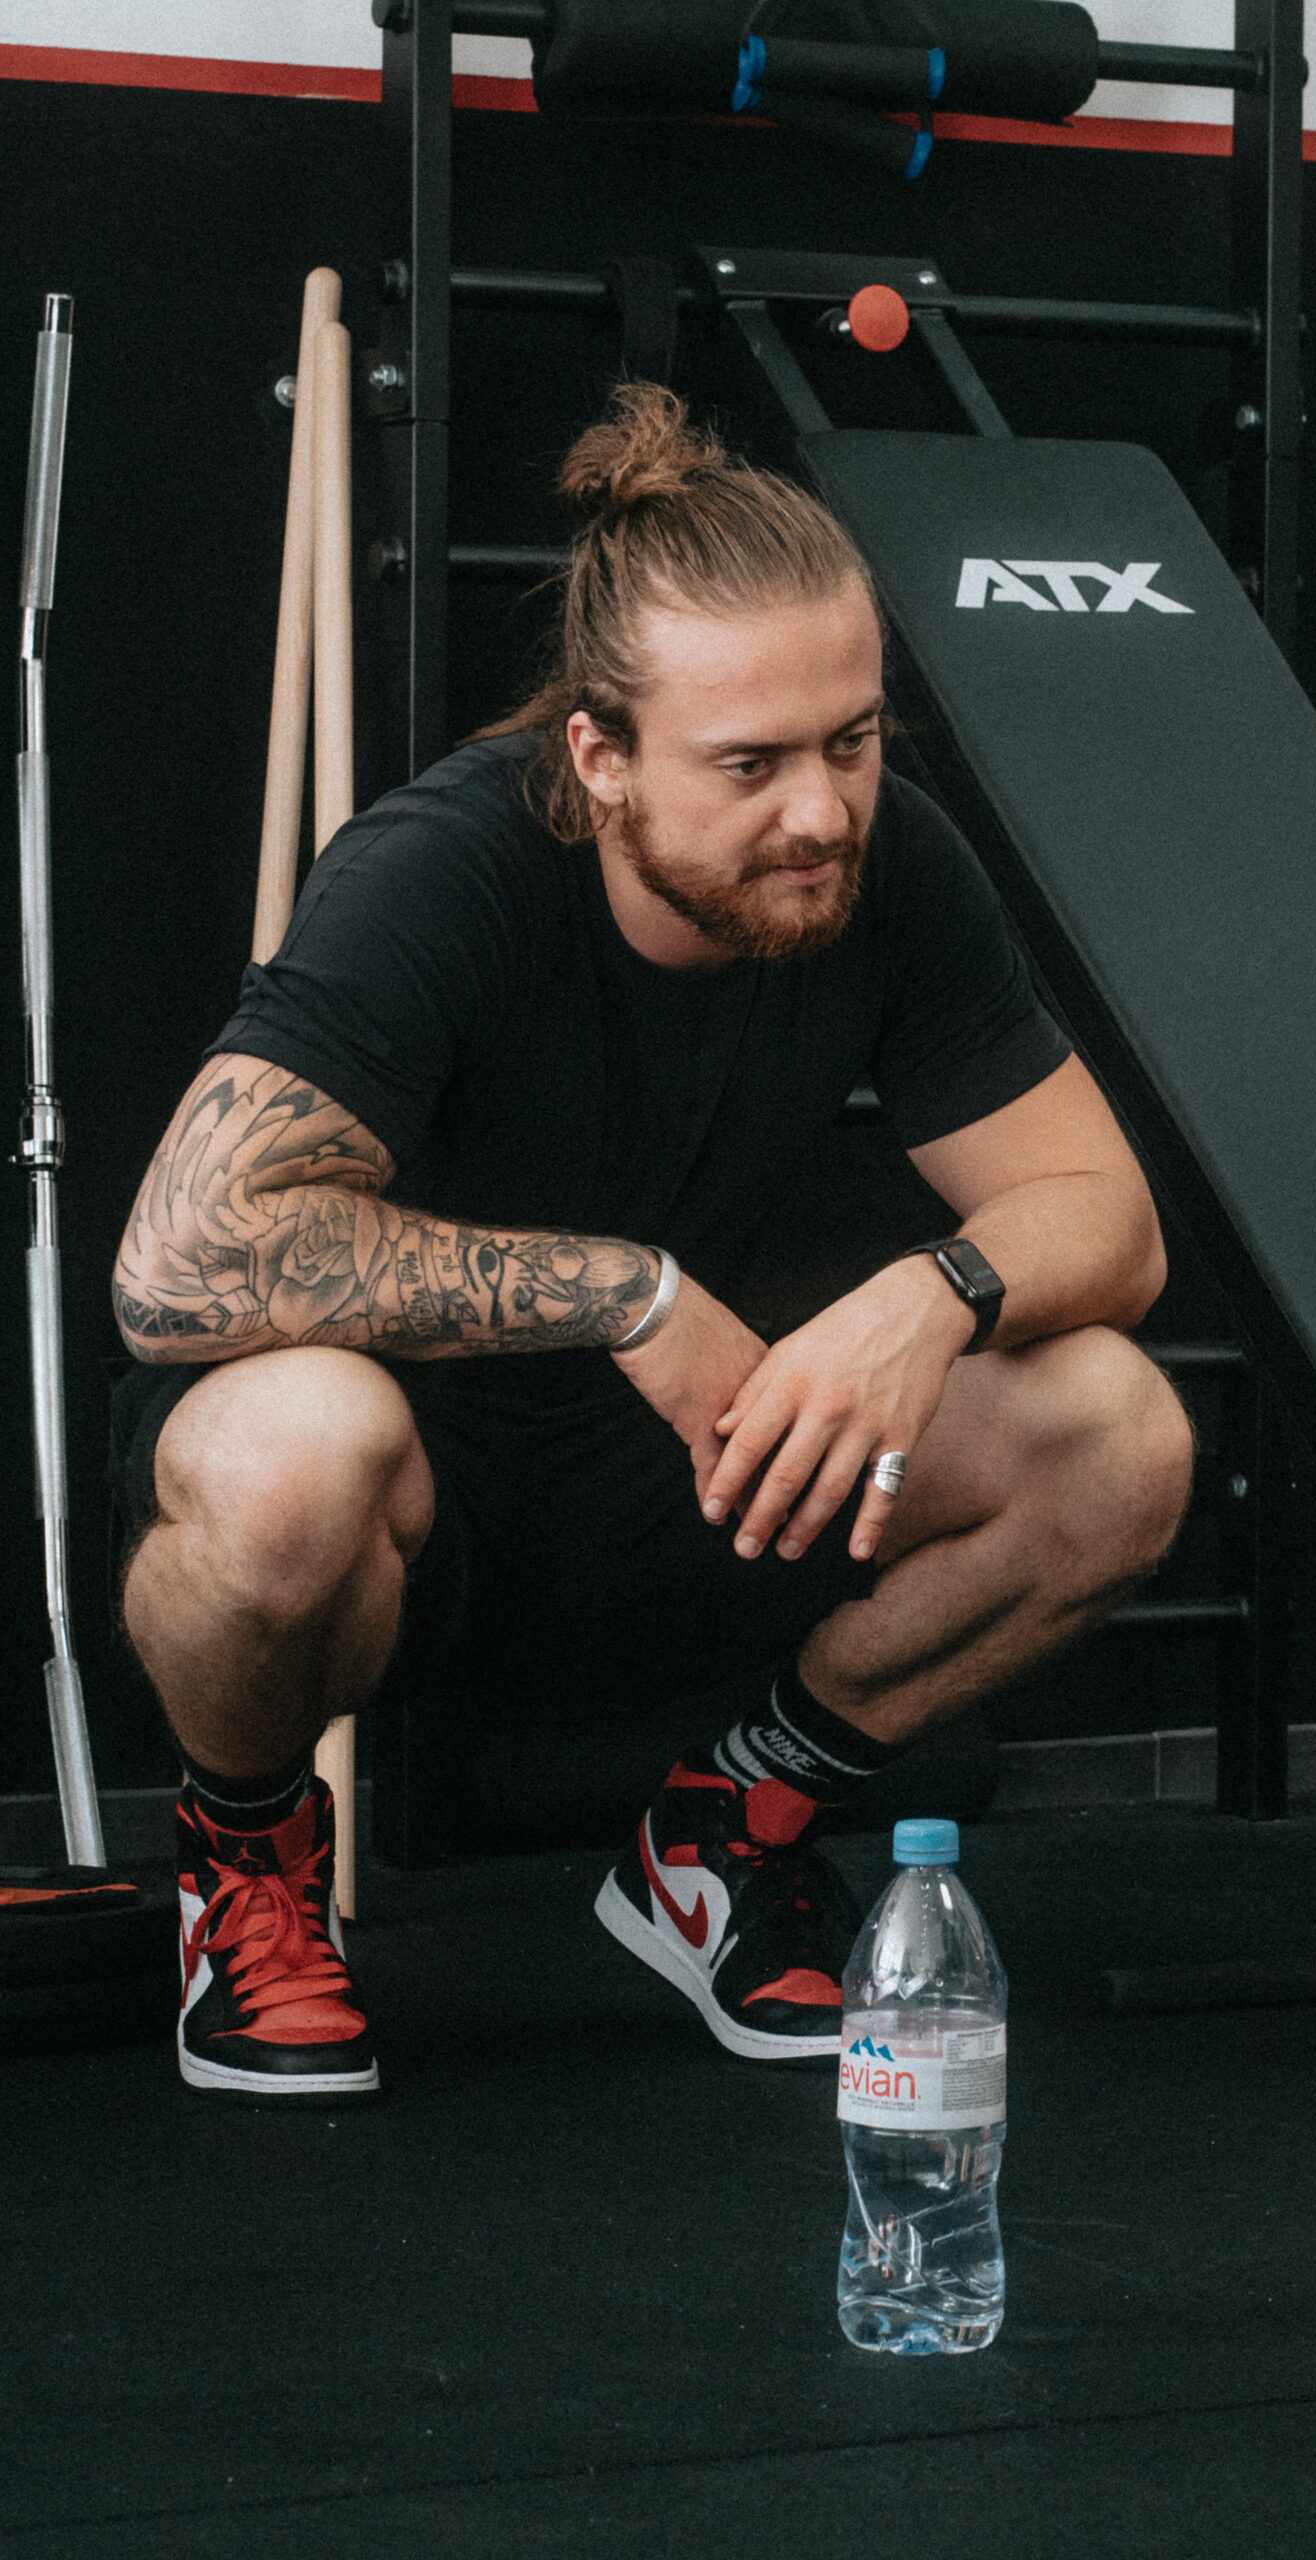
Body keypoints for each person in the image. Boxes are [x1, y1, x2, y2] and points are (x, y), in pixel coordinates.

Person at [112, 384, 1192, 2105]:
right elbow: (175, 1264)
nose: (821, 813)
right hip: (406, 1502)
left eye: (851, 740)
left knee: (1119, 1435)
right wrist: (624, 1291)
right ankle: (244, 1857)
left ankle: (723, 1830)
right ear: (597, 756)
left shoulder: (888, 865)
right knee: (282, 1456)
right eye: (749, 766)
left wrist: (939, 1290)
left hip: (705, 1472)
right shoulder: (441, 871)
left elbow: (1109, 1221)